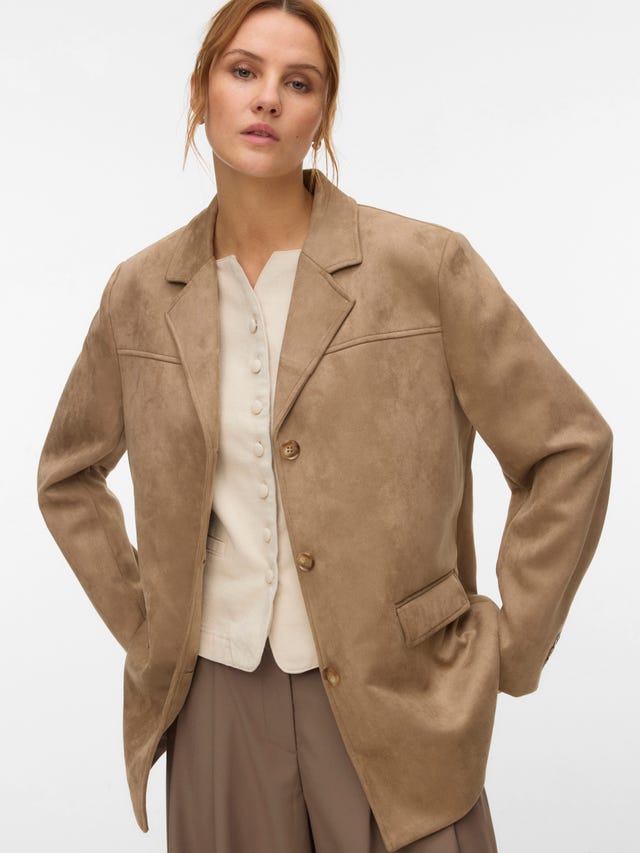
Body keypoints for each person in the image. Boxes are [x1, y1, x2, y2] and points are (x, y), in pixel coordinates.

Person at [36, 1, 614, 851]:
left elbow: (569, 446)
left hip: (401, 697)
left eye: (298, 82)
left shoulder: (423, 265)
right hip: (216, 704)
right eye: (243, 71)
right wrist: (151, 625)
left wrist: (512, 643)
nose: (267, 98)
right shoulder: (141, 290)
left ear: (322, 113)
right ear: (200, 92)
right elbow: (67, 475)